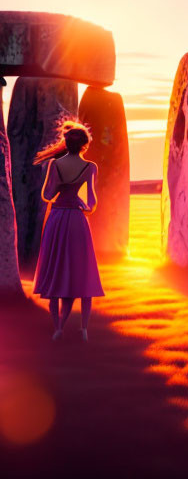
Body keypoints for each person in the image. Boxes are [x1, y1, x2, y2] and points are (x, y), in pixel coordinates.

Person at [31, 120, 104, 341]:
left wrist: (61, 187)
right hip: (76, 220)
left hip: (57, 218)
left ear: (66, 143)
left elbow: (47, 194)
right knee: (82, 268)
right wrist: (83, 206)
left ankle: (58, 328)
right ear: (85, 145)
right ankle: (83, 329)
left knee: (55, 267)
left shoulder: (55, 165)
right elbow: (91, 201)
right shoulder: (90, 167)